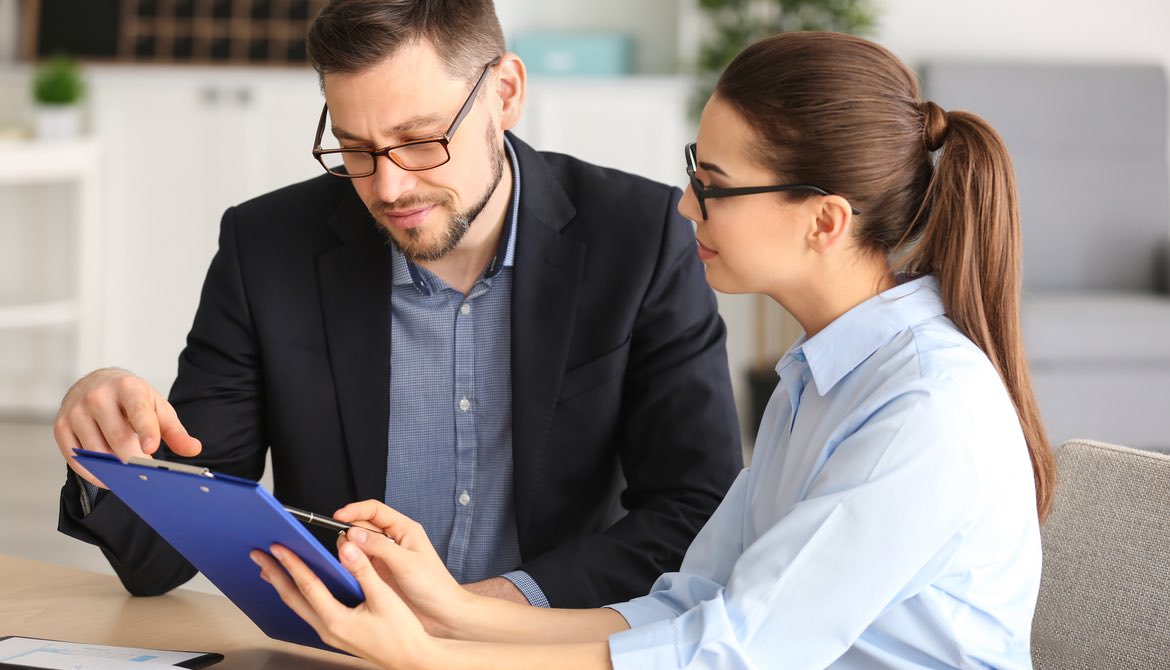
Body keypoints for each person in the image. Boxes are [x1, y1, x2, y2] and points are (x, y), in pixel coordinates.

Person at [251, 30, 1057, 669]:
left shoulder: (925, 409)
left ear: (825, 220)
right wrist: (455, 611)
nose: (684, 204)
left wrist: (435, 659)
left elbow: (734, 652)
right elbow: (689, 606)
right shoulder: (819, 378)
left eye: (713, 183)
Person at [51, 0, 743, 609]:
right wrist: (108, 453)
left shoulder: (643, 237)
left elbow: (696, 512)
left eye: (419, 141)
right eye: (355, 148)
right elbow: (157, 557)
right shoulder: (266, 248)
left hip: (548, 651)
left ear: (505, 92)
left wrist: (483, 610)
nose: (387, 187)